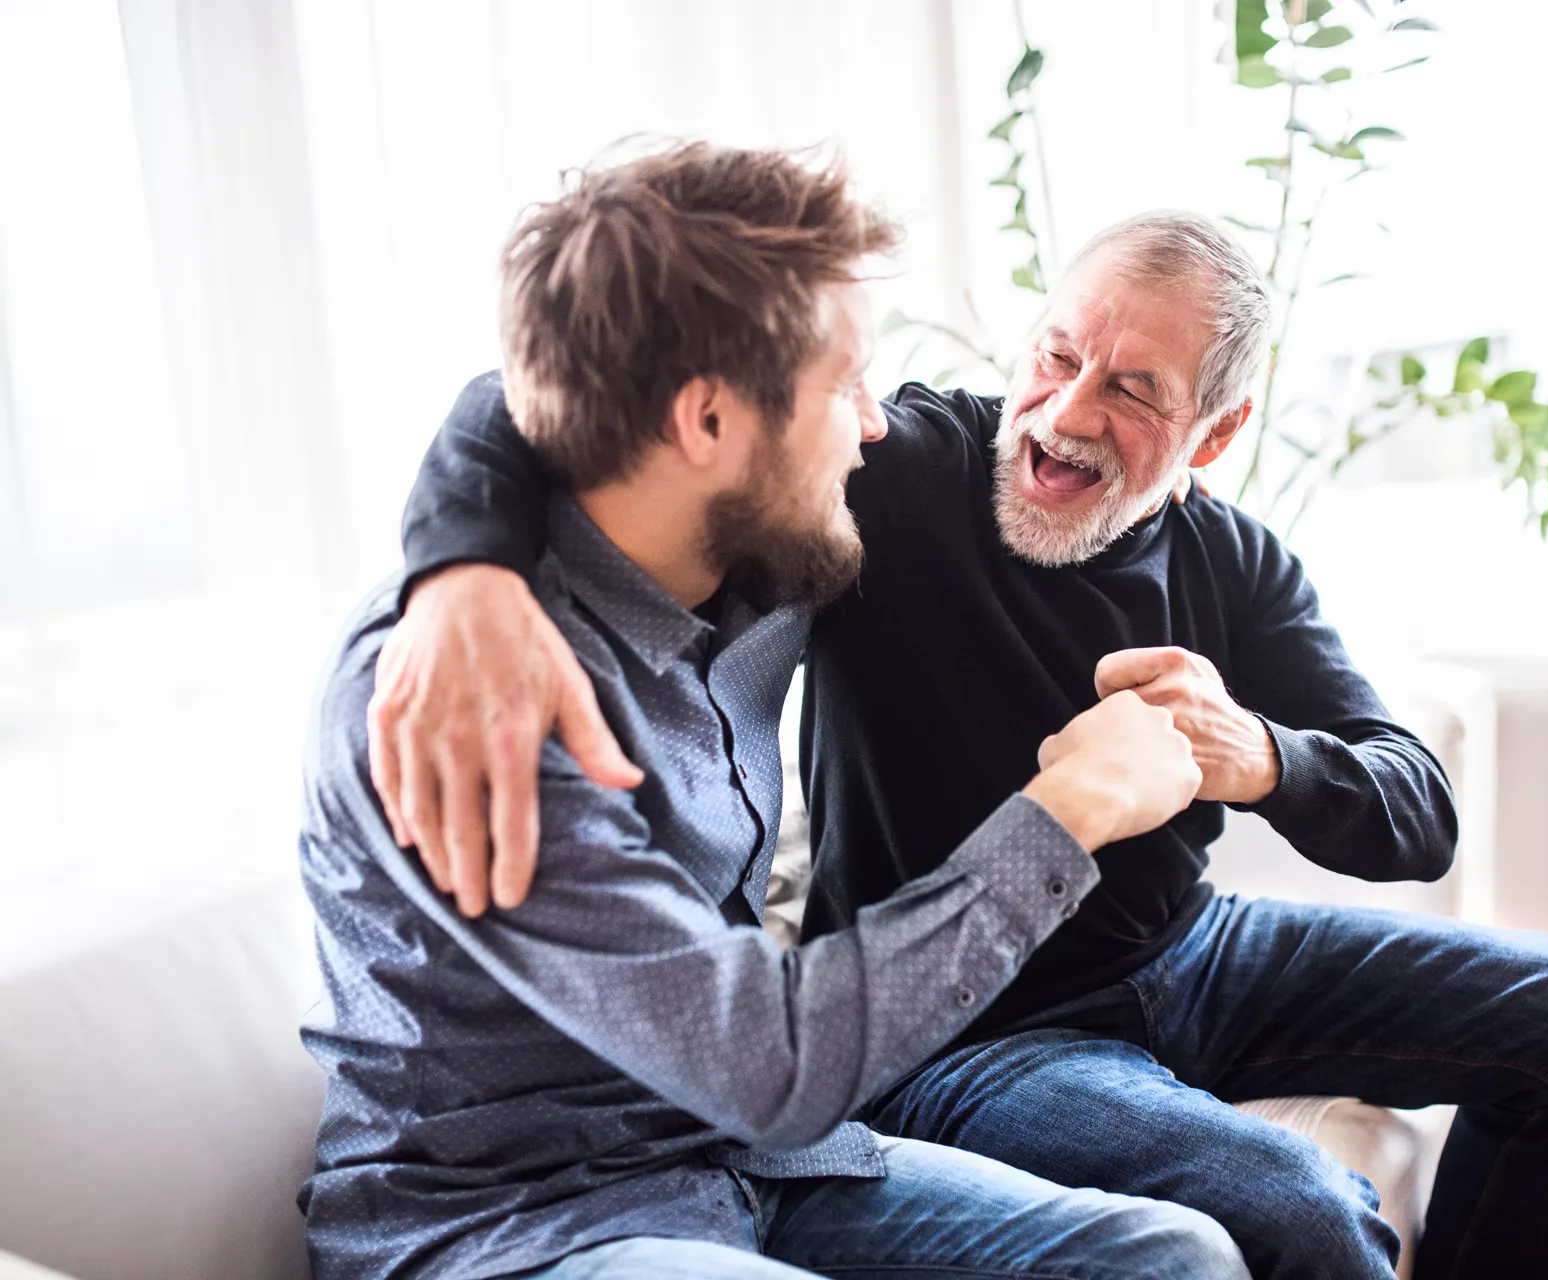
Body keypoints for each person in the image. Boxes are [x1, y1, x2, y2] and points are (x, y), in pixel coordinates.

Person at [380, 202, 1548, 1278]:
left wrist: (1254, 751)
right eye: (1059, 355)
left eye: (1133, 390)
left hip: (1188, 953)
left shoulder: (1236, 563)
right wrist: (461, 574)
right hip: (969, 1029)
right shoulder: (902, 470)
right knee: (1299, 1209)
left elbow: (1418, 810)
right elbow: (542, 391)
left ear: (1215, 436)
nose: (1067, 410)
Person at [296, 138, 1252, 1280]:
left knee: (1170, 1258)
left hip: (737, 1163)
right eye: (844, 381)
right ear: (705, 424)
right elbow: (771, 1057)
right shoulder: (475, 695)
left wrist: (463, 554)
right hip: (519, 1224)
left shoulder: (755, 564)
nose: (875, 422)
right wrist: (1073, 805)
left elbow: (512, 393)